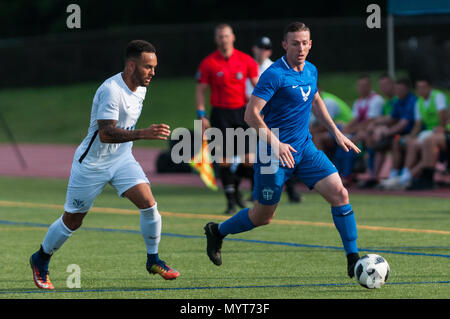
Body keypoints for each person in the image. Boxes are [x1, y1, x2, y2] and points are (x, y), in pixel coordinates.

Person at [204, 22, 362, 279]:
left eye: (304, 43)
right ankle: (217, 231)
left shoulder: (311, 70)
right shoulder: (275, 74)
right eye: (295, 43)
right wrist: (275, 144)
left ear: (310, 44)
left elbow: (315, 98)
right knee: (263, 216)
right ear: (284, 45)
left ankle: (352, 258)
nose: (300, 48)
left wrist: (336, 131)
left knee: (340, 193)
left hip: (304, 148)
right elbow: (250, 114)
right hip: (271, 153)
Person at [29, 40, 179, 290]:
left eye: (154, 67)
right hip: (92, 165)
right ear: (131, 66)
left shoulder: (141, 87)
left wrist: (135, 139)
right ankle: (40, 258)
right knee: (72, 221)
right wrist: (143, 134)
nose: (153, 72)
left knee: (149, 205)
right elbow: (106, 133)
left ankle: (153, 260)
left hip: (121, 160)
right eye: (147, 67)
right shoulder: (111, 90)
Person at [196, 23, 259, 214]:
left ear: (233, 37)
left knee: (248, 159)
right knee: (224, 160)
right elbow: (200, 91)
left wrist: (261, 108)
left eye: (226, 36)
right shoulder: (208, 63)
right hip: (220, 114)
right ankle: (231, 201)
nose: (223, 39)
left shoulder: (246, 60)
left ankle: (236, 190)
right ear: (216, 39)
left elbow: (257, 86)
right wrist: (201, 114)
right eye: (220, 36)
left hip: (242, 113)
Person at [246, 36, 301, 203]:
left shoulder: (272, 67)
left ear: (269, 51)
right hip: (253, 115)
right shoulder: (249, 66)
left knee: (281, 153)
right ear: (254, 49)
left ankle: (291, 191)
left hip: (271, 117)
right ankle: (256, 191)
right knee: (256, 156)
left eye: (265, 48)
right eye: (259, 47)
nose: (262, 51)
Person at [381, 77, 448, 190]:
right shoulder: (419, 102)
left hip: (439, 132)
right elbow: (417, 125)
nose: (421, 90)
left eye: (423, 87)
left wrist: (441, 128)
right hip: (427, 133)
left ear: (429, 87)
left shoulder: (438, 97)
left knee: (427, 144)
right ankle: (402, 175)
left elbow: (443, 118)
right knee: (409, 142)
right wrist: (410, 136)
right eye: (418, 87)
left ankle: (406, 179)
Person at [364, 78, 417, 187]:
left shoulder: (412, 101)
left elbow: (403, 124)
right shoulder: (398, 102)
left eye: (401, 89)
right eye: (397, 89)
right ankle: (374, 176)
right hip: (400, 134)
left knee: (394, 141)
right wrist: (375, 124)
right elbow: (392, 118)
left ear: (407, 89)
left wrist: (385, 133)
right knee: (377, 143)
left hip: (409, 133)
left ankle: (398, 175)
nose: (398, 92)